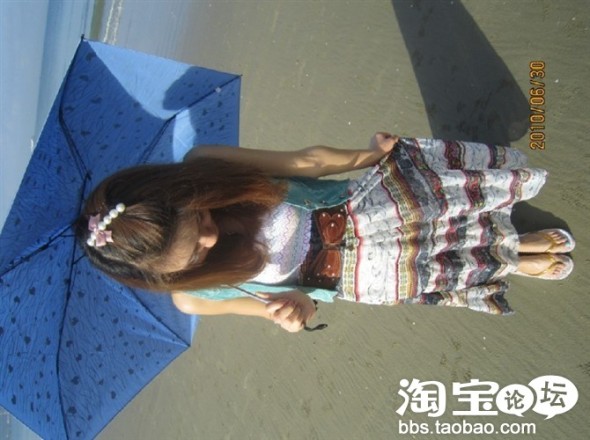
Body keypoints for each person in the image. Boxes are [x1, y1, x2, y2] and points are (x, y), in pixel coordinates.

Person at [76, 133, 575, 332]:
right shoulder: (193, 298)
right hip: (356, 276)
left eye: (201, 221)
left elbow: (306, 162)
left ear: (182, 190)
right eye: (192, 258)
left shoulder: (205, 164)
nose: (209, 241)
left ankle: (516, 240)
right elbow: (291, 306)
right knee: (447, 266)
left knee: (446, 211)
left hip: (362, 211)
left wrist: (370, 155)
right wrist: (296, 312)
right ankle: (512, 258)